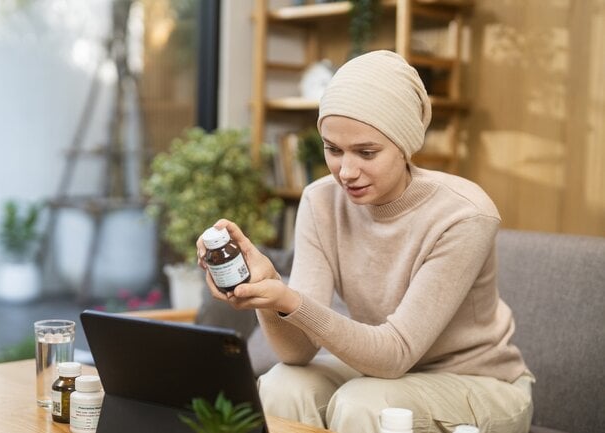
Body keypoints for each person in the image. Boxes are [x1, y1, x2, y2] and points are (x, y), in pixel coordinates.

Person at [196, 50, 534, 433]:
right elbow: (298, 352)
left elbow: (394, 355)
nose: (347, 171)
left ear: (405, 145)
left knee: (368, 405)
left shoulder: (464, 215)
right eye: (333, 149)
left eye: (367, 152)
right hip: (381, 375)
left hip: (478, 383)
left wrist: (291, 300)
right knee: (282, 385)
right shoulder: (320, 200)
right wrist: (269, 291)